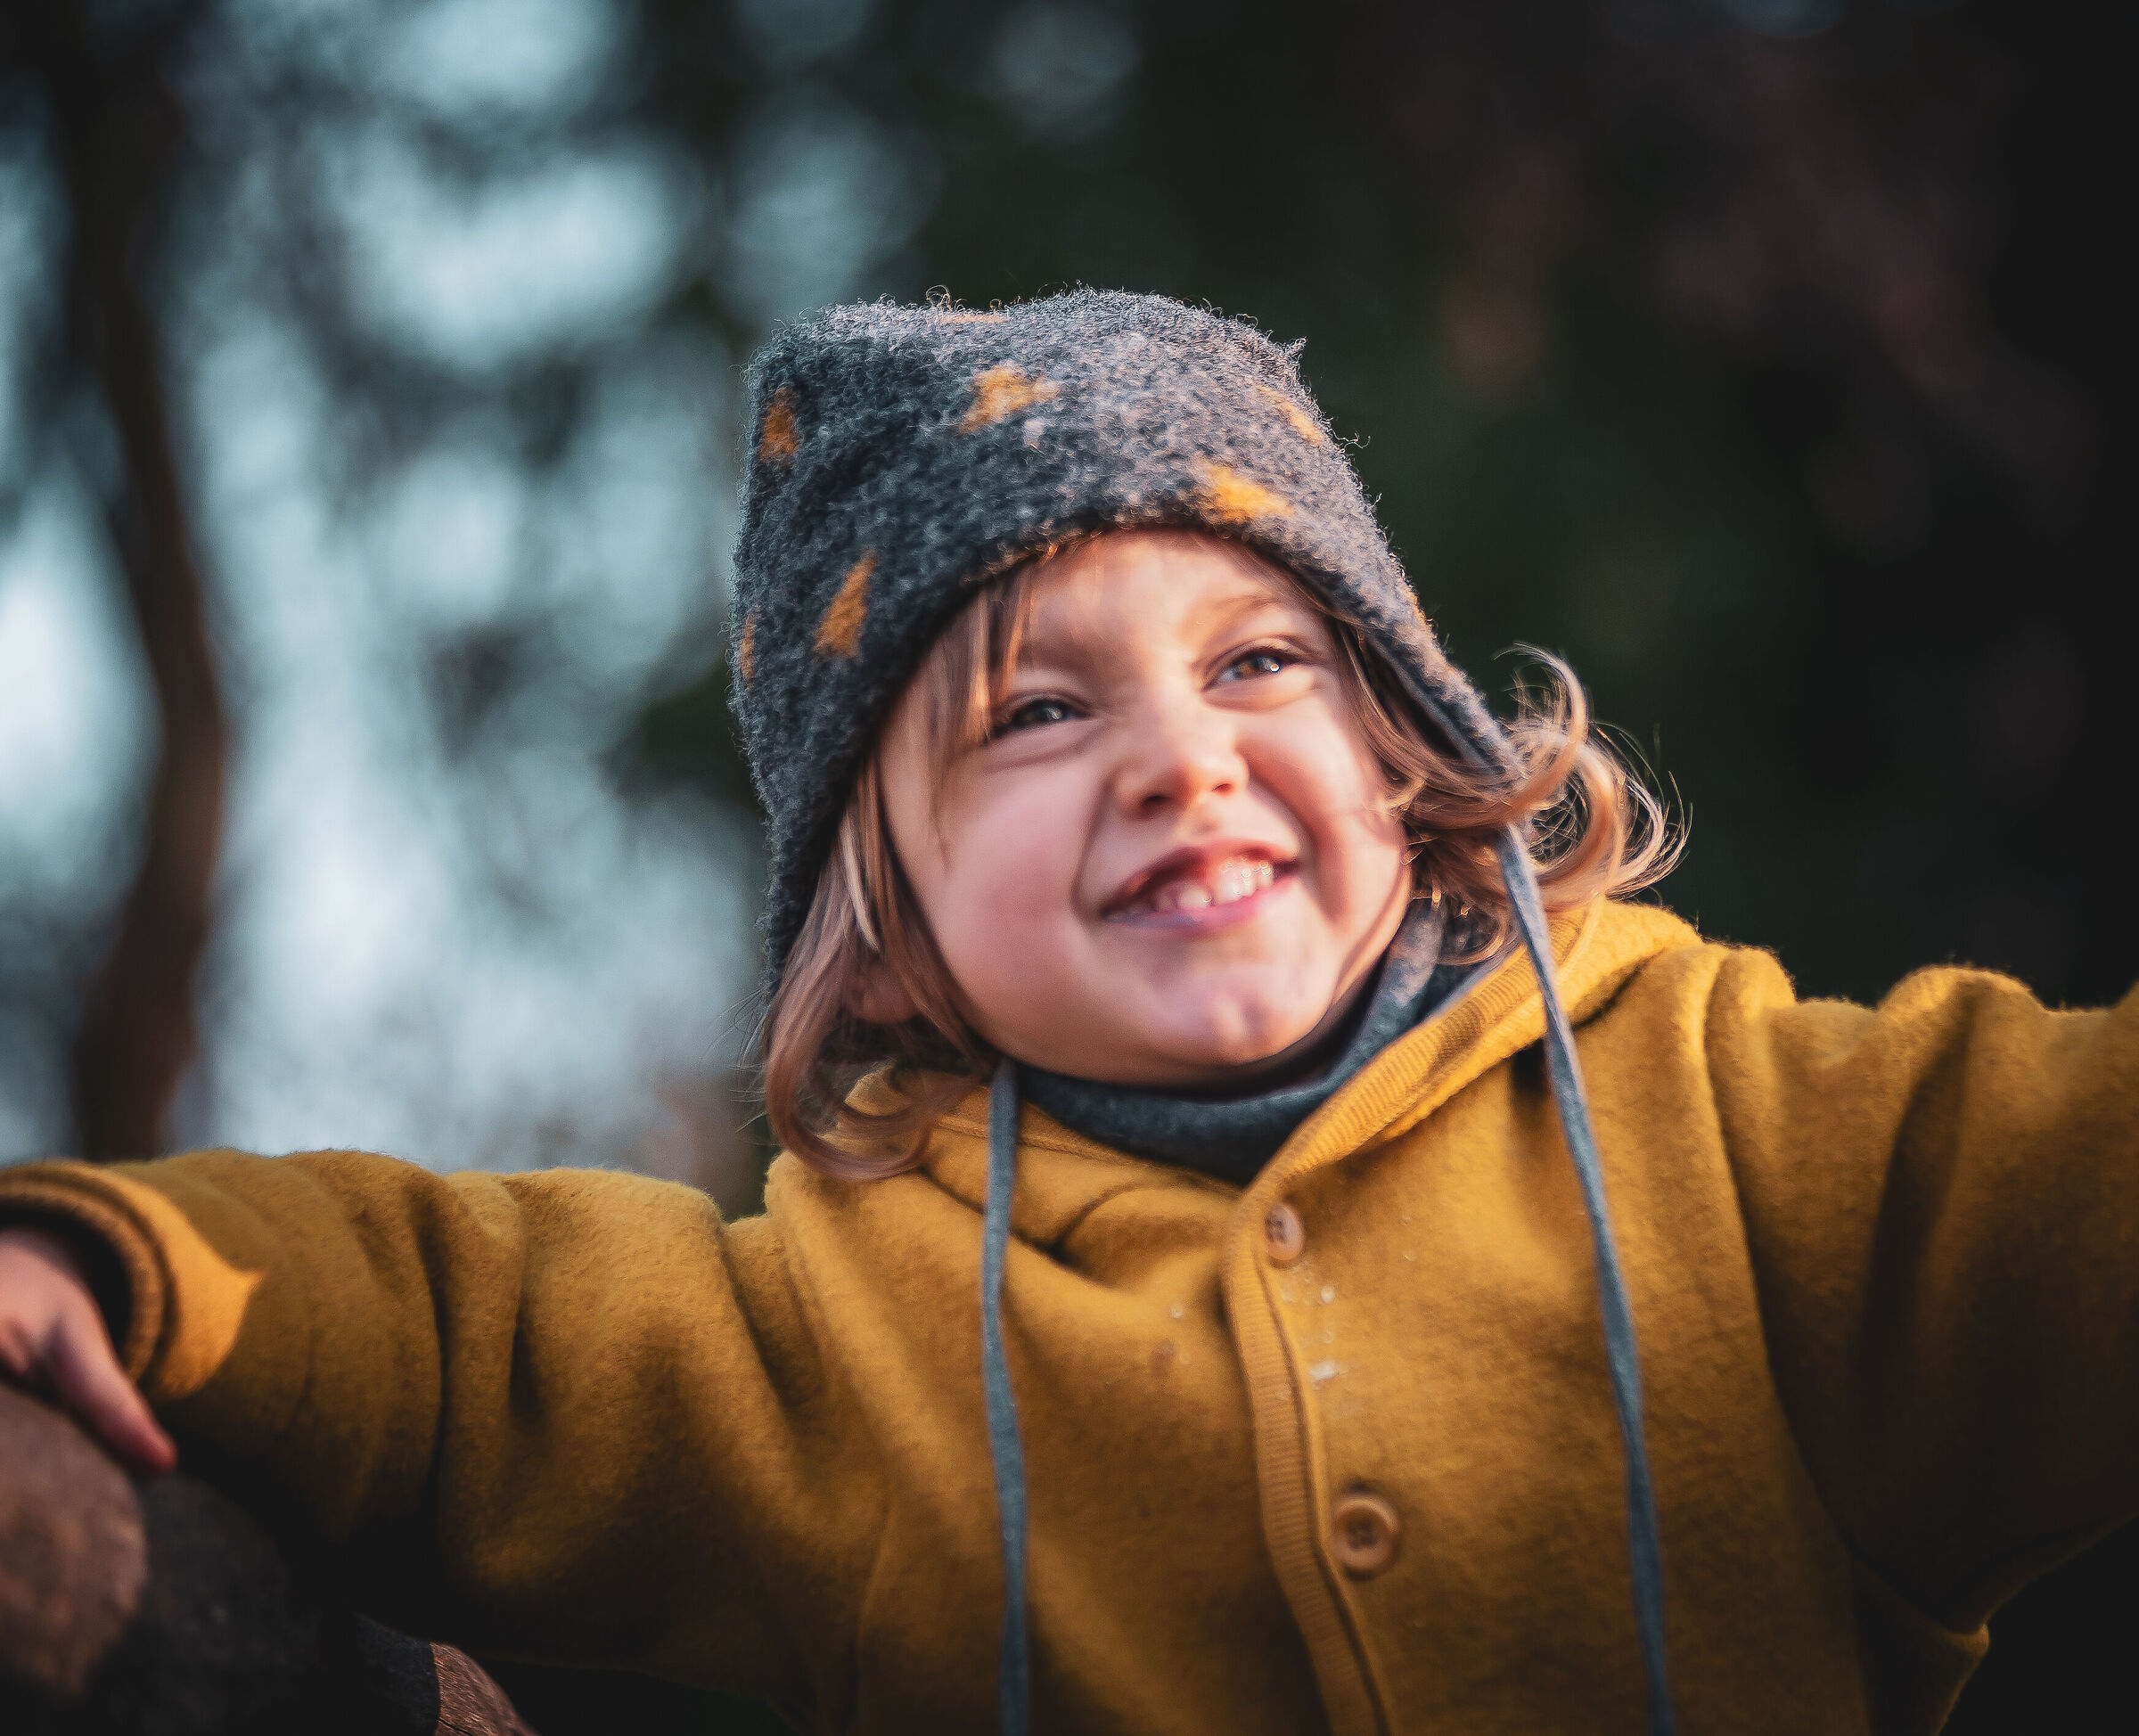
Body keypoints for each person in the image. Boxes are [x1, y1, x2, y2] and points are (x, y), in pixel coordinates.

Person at [2, 291, 2134, 1736]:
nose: (1177, 755)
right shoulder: (835, 1337)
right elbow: (461, 1328)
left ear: (1404, 742)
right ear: (894, 914)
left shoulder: (1728, 1119)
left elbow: (2068, 1171)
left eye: (1260, 660)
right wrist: (104, 1254)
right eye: (1035, 707)